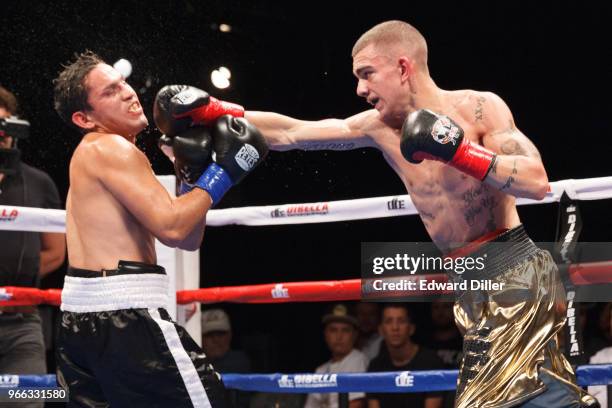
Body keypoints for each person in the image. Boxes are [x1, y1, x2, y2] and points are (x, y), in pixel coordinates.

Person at [153, 20, 597, 408]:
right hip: (470, 282)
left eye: (367, 74)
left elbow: (537, 181)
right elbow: (292, 131)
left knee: (495, 399)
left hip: (511, 268)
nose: (360, 89)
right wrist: (216, 112)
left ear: (403, 67)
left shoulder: (478, 107)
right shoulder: (378, 127)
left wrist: (461, 152)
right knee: (541, 395)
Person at [52, 51, 267, 407]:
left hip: (83, 320)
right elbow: (173, 228)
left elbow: (188, 238)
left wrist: (190, 178)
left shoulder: (100, 154)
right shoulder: (112, 149)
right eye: (109, 91)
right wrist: (224, 172)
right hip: (125, 317)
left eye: (122, 83)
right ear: (84, 118)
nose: (127, 93)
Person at [0, 86, 66, 408]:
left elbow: (56, 252)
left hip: (23, 325)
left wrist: (16, 282)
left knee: (29, 401)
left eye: (4, 125)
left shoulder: (39, 183)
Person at [367, 304, 443, 408]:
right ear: (381, 330)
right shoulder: (375, 367)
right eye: (389, 321)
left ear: (411, 328)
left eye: (401, 321)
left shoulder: (431, 362)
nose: (395, 328)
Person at [305, 303, 368, 408]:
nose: (339, 336)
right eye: (333, 330)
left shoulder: (358, 359)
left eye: (345, 330)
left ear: (355, 334)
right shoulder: (320, 370)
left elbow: (356, 405)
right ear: (325, 334)